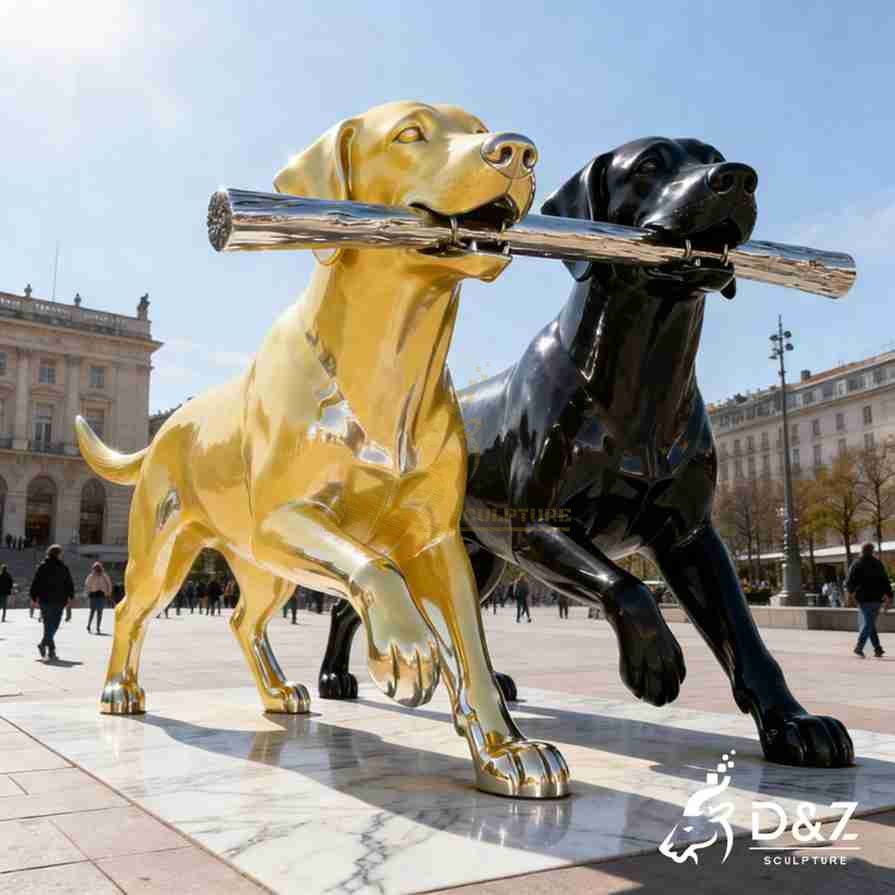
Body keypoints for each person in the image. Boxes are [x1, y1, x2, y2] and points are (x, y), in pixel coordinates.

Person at [846, 543, 893, 658]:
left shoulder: (856, 564)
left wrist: (850, 595)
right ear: (872, 551)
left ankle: (875, 648)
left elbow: (849, 583)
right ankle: (865, 647)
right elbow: (885, 581)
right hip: (877, 598)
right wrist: (889, 597)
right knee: (870, 622)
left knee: (869, 623)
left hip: (863, 598)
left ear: (861, 551)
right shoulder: (878, 563)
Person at [29, 544, 74, 660]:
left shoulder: (42, 567)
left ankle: (50, 649)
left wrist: (34, 597)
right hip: (59, 600)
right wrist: (70, 597)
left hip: (45, 600)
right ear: (58, 554)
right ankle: (46, 646)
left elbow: (35, 583)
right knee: (54, 624)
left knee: (48, 624)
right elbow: (69, 584)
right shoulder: (63, 567)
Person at [85, 561, 113, 634]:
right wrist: (88, 593)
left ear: (101, 568)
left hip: (101, 595)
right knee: (92, 611)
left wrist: (108, 593)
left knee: (100, 612)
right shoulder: (91, 576)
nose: (97, 569)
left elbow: (109, 584)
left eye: (98, 567)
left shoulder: (104, 576)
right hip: (93, 595)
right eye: (95, 568)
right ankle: (89, 625)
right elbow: (87, 585)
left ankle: (98, 627)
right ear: (93, 568)